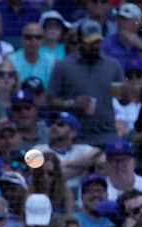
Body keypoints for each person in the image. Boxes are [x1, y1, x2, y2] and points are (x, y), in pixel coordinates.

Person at [46, 19, 124, 147]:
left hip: (107, 135)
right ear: (80, 42)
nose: (95, 46)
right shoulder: (63, 66)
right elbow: (50, 101)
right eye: (90, 42)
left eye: (98, 42)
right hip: (75, 138)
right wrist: (72, 103)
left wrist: (127, 93)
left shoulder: (113, 65)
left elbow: (120, 99)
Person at [30, 112, 101, 180]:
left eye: (60, 125)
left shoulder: (82, 149)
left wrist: (64, 164)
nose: (53, 127)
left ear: (73, 133)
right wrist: (83, 167)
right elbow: (51, 178)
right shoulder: (38, 149)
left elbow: (98, 153)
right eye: (52, 124)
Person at [100, 3, 142, 75]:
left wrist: (141, 49)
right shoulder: (106, 43)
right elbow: (101, 71)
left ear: (137, 23)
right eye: (119, 19)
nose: (120, 23)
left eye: (125, 19)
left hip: (139, 83)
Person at [10, 23, 55, 89]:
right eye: (29, 37)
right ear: (22, 39)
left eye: (38, 37)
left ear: (43, 40)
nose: (33, 41)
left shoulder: (52, 62)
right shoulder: (11, 61)